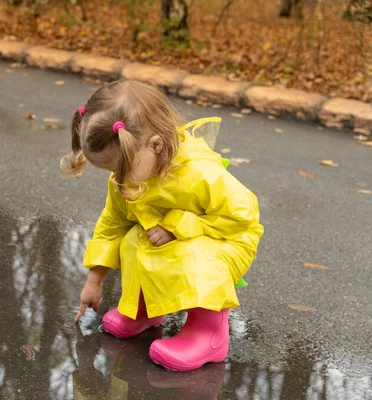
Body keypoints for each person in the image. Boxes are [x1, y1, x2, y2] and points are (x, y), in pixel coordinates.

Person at [61, 80, 263, 372]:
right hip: (176, 237)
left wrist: (177, 226)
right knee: (134, 239)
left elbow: (242, 217)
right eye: (111, 171)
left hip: (227, 240)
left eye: (122, 168)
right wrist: (94, 280)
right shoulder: (128, 177)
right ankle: (144, 311)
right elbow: (112, 224)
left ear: (155, 145)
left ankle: (209, 333)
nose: (118, 180)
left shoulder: (199, 172)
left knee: (192, 251)